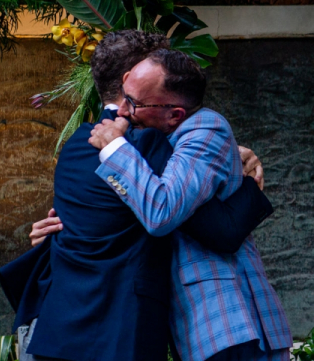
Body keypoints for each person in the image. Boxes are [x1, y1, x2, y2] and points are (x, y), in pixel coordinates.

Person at [0, 30, 273, 361]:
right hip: (121, 336)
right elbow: (220, 229)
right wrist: (243, 184)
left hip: (57, 331)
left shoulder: (73, 147)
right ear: (132, 77)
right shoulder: (145, 147)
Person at [87, 49, 292, 361]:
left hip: (227, 319)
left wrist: (113, 147)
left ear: (175, 114)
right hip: (196, 326)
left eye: (136, 103)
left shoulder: (204, 127)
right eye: (123, 96)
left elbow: (162, 211)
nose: (123, 111)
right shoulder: (157, 138)